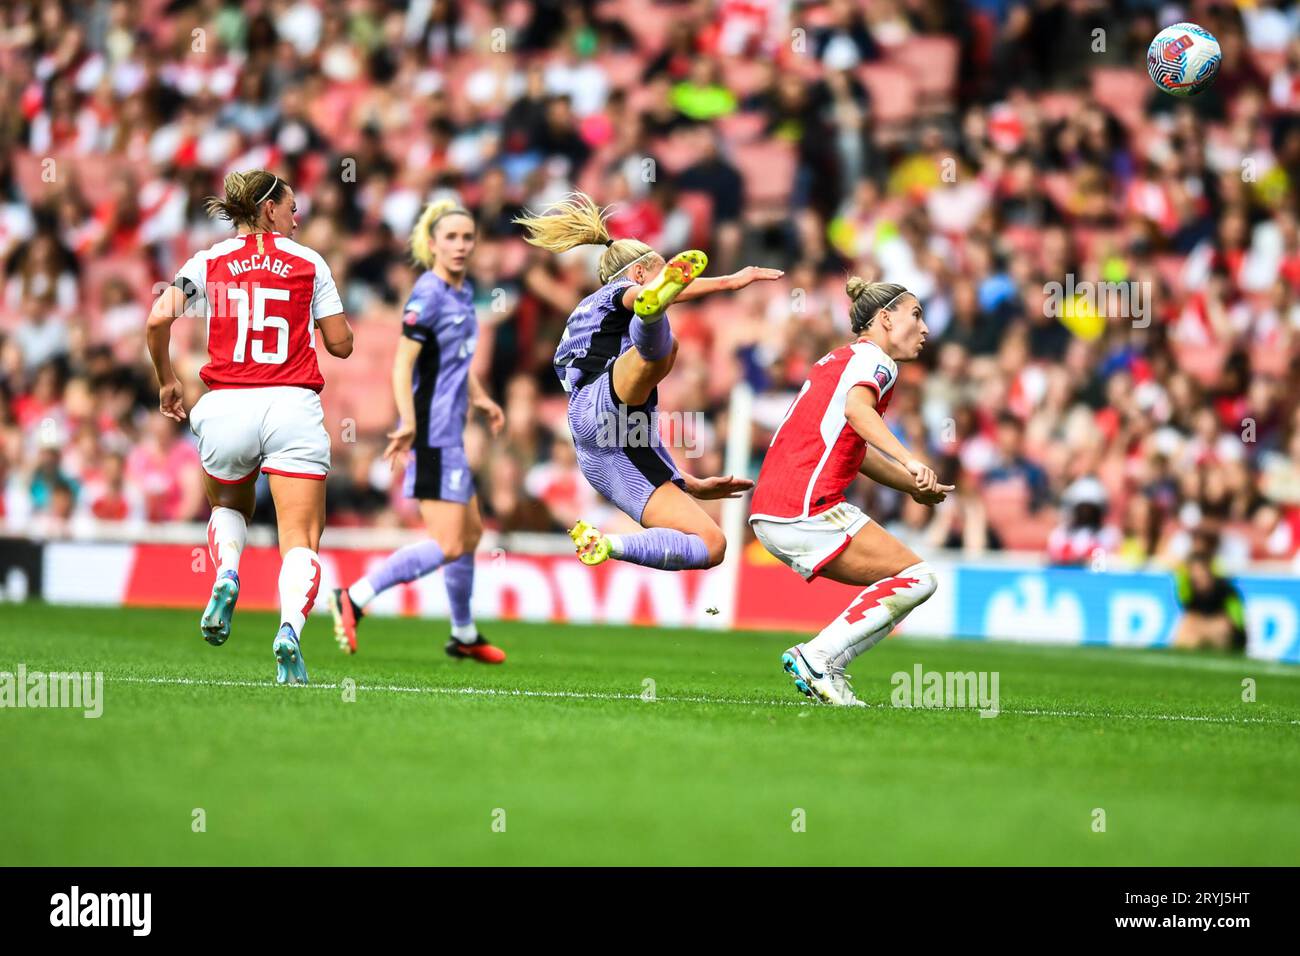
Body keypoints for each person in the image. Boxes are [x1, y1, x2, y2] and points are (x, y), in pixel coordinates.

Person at [145, 169, 354, 685]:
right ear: (268, 210)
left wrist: (167, 380)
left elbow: (156, 319)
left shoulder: (208, 262)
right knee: (301, 536)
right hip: (291, 406)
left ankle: (227, 572)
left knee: (228, 505)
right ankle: (288, 632)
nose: (296, 217)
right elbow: (342, 344)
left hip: (226, 406)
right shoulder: (309, 263)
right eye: (291, 208)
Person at [513, 191, 780, 571]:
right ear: (638, 274)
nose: (665, 282)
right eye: (659, 272)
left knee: (712, 544)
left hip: (602, 450)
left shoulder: (587, 312)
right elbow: (641, 298)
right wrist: (729, 282)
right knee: (664, 346)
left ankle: (607, 544)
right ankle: (650, 320)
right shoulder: (613, 293)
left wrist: (685, 481)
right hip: (598, 397)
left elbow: (642, 433)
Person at [749, 280, 949, 706]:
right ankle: (819, 657)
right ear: (885, 319)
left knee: (908, 577)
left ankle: (826, 667)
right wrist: (912, 460)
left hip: (773, 509)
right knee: (918, 577)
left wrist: (909, 485)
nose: (925, 328)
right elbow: (858, 412)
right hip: (807, 506)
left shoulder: (837, 360)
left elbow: (852, 448)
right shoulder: (878, 361)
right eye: (916, 314)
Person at [328, 199, 508, 664]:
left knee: (469, 535)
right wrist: (408, 421)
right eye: (451, 237)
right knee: (450, 542)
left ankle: (463, 633)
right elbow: (403, 362)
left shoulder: (464, 294)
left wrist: (481, 396)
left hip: (449, 432)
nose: (461, 245)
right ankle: (356, 596)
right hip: (431, 434)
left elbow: (455, 360)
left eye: (468, 237)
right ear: (432, 244)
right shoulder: (427, 296)